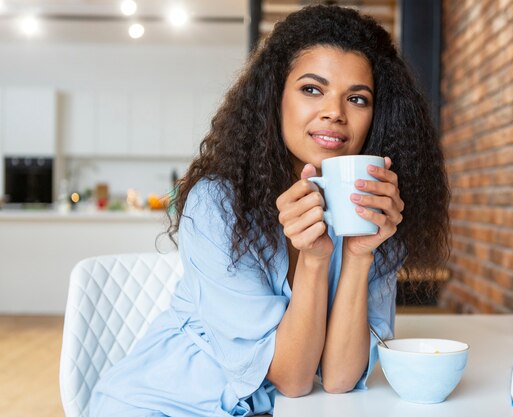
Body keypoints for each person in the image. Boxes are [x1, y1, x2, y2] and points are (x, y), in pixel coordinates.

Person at [89, 5, 449, 417]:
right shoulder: (217, 206)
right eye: (312, 89)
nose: (335, 111)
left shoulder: (374, 216)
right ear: (274, 97)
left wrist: (359, 255)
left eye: (357, 98)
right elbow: (293, 379)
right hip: (167, 404)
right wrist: (314, 262)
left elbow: (339, 378)